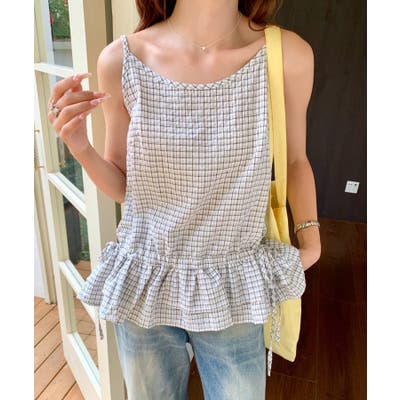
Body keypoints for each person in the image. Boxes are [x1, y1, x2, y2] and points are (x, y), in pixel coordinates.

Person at [47, 0, 321, 398]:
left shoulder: (286, 55)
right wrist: (80, 147)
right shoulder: (122, 60)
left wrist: (311, 241)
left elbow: (296, 160)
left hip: (232, 284)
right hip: (145, 280)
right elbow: (125, 186)